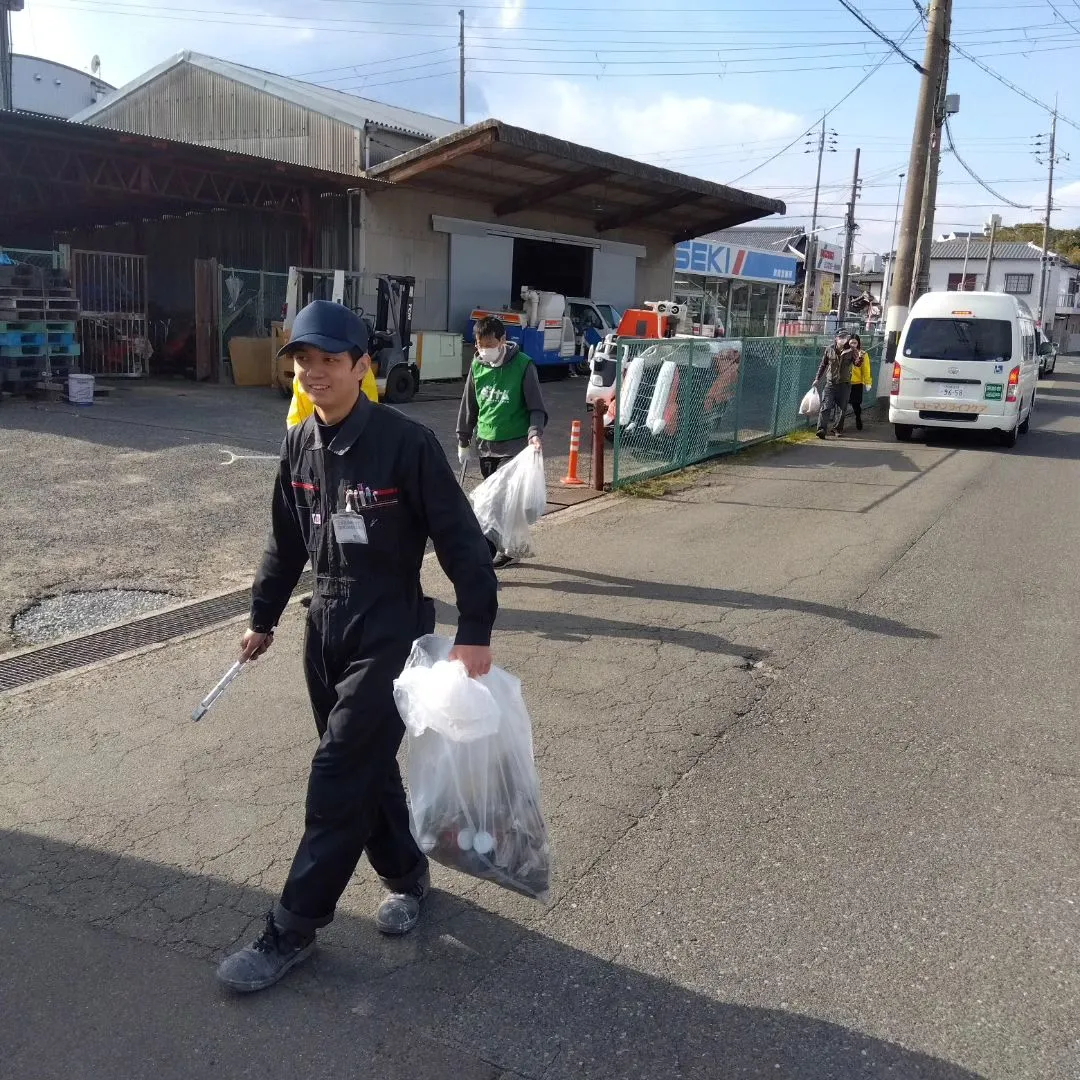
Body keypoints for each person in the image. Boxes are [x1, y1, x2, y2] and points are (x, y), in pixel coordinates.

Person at [216, 299, 498, 994]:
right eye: (303, 362)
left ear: (362, 367)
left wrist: (476, 630)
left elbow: (462, 540)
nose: (313, 374)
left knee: (338, 774)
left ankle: (293, 928)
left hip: (390, 630)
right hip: (327, 628)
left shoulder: (406, 443)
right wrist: (263, 617)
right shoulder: (299, 442)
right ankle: (407, 875)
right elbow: (285, 543)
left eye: (329, 361)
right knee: (366, 767)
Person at [456, 315, 548, 568]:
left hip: (515, 448)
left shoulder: (523, 365)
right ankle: (513, 547)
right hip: (486, 444)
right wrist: (463, 440)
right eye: (479, 344)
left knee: (493, 505)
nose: (484, 349)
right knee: (503, 506)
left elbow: (536, 408)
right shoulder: (477, 366)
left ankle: (481, 560)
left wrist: (534, 434)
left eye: (489, 344)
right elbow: (469, 405)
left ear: (503, 340)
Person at [287, 362, 377, 427]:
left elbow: (367, 420)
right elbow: (296, 420)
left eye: (329, 360)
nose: (315, 374)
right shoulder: (301, 378)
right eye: (303, 358)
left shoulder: (359, 373)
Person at [812, 331, 858, 439]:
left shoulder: (851, 350)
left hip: (844, 384)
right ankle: (821, 429)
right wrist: (817, 379)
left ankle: (837, 429)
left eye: (845, 337)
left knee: (841, 409)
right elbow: (823, 365)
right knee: (826, 406)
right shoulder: (829, 349)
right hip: (830, 383)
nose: (843, 339)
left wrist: (858, 359)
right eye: (841, 337)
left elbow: (857, 363)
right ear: (836, 338)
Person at [837, 334, 872, 434]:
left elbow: (866, 369)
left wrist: (867, 382)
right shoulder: (844, 352)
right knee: (842, 405)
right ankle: (839, 426)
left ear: (858, 343)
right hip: (845, 382)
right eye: (851, 342)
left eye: (855, 343)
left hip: (857, 383)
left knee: (856, 404)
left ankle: (858, 417)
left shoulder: (863, 354)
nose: (853, 344)